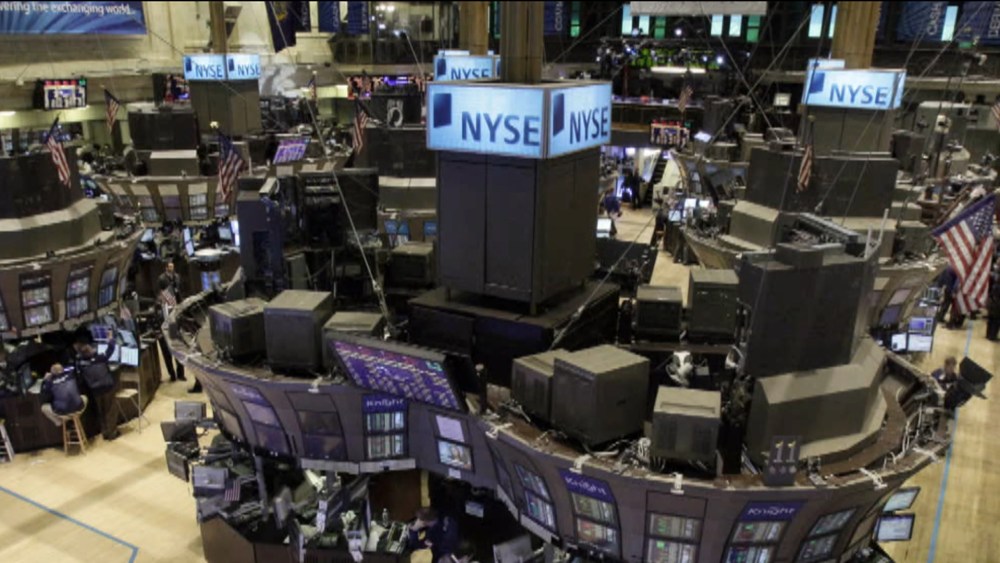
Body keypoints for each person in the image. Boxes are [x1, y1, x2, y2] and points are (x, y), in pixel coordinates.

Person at [74, 336, 120, 441]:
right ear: (91, 351)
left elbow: (79, 374)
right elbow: (110, 349)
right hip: (107, 387)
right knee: (110, 410)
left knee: (101, 411)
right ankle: (112, 433)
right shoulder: (100, 358)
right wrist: (111, 339)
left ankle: (105, 432)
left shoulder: (81, 363)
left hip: (95, 391)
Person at [157, 261, 186, 383]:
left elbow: (179, 292)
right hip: (164, 326)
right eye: (170, 267)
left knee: (178, 348)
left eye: (173, 266)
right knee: (167, 353)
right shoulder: (161, 280)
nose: (171, 268)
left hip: (174, 322)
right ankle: (172, 374)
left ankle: (181, 374)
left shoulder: (177, 277)